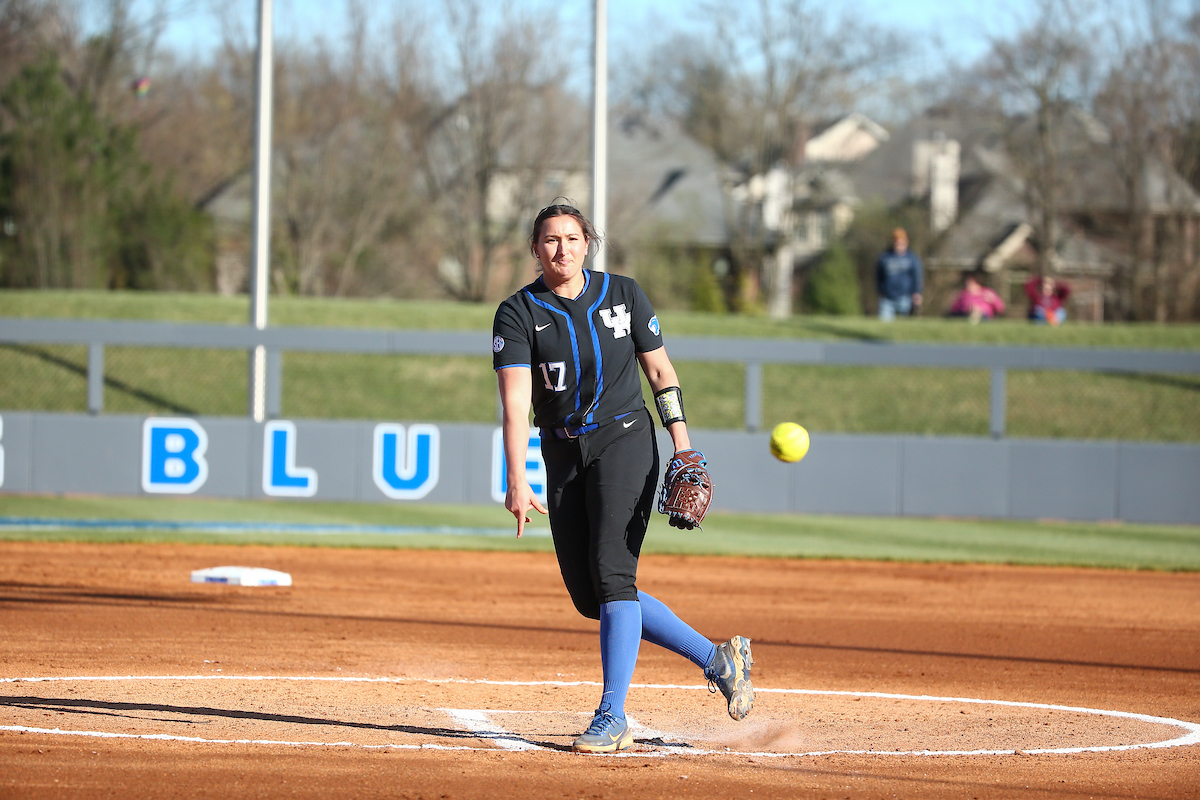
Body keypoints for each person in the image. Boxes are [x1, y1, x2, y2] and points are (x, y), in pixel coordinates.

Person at [492, 202, 755, 754]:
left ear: (588, 242)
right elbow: (516, 403)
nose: (560, 249)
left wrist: (682, 444)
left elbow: (659, 371)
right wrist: (517, 475)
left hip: (626, 440)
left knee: (613, 573)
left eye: (570, 237)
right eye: (549, 240)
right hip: (562, 452)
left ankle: (613, 714)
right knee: (595, 597)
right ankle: (717, 659)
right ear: (534, 249)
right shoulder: (517, 313)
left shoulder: (624, 294)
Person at [875, 227, 923, 321]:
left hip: (905, 297)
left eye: (901, 241)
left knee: (907, 326)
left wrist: (917, 293)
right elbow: (878, 275)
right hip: (887, 298)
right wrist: (881, 289)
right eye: (896, 241)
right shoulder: (885, 257)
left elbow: (917, 276)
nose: (898, 244)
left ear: (906, 242)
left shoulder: (912, 258)